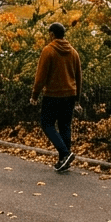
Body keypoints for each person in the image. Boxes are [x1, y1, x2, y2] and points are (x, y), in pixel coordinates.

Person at [30, 21, 83, 173]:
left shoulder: (48, 51)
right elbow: (79, 77)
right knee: (65, 125)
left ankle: (65, 154)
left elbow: (40, 77)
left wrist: (34, 95)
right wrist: (77, 99)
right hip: (70, 95)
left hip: (53, 95)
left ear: (52, 34)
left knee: (47, 124)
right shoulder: (73, 52)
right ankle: (63, 160)